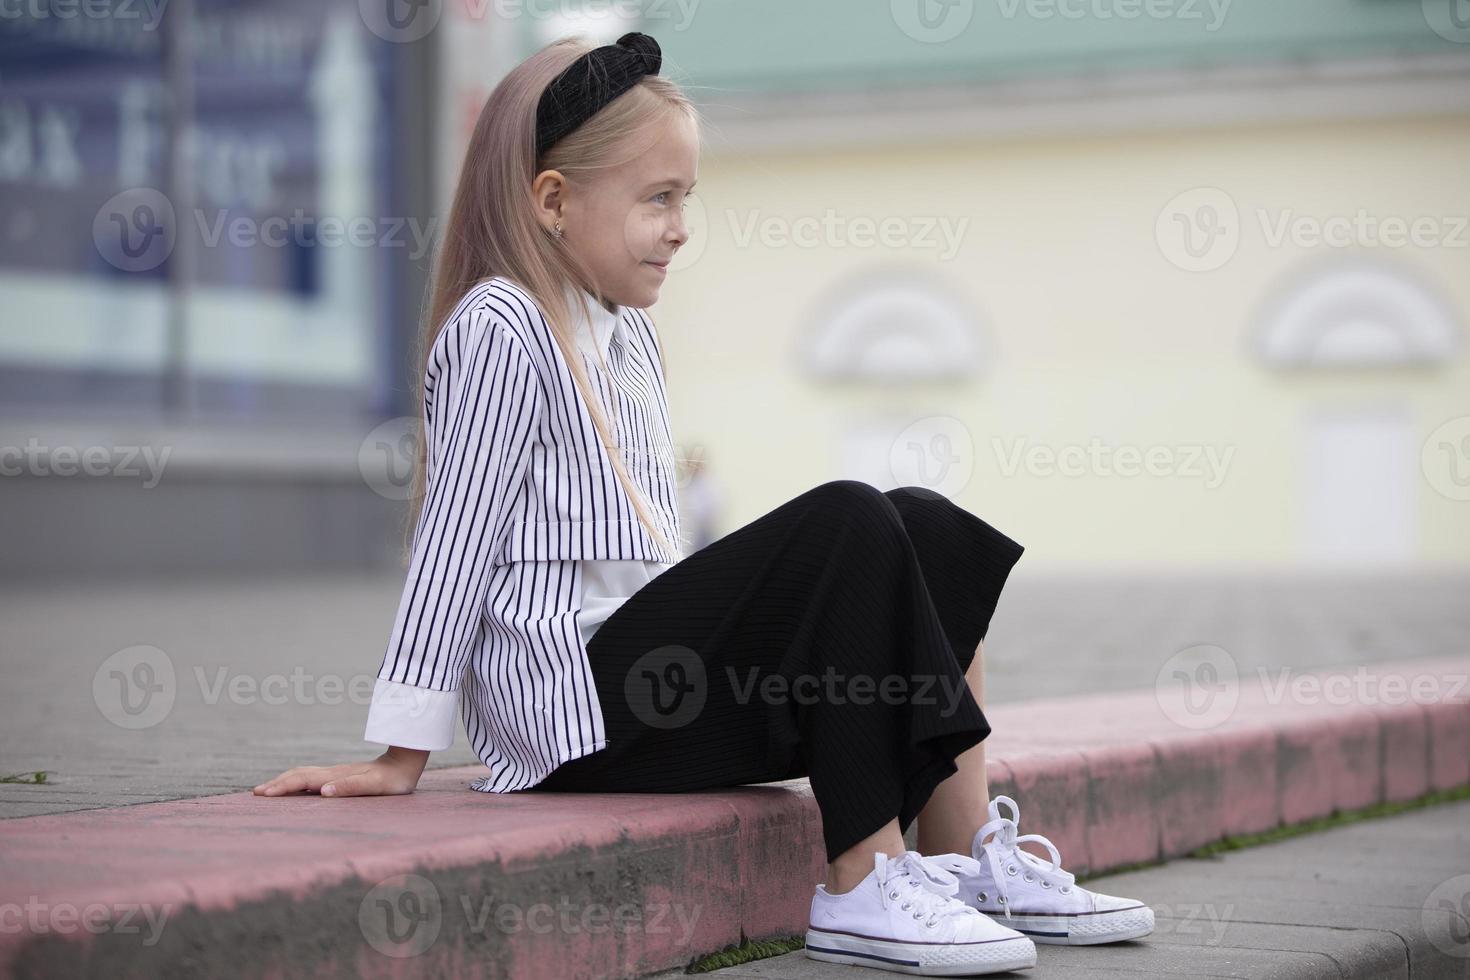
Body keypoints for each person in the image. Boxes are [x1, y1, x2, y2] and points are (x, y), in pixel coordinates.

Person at [253, 31, 1153, 975]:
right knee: (849, 515)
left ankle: (961, 857)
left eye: (687, 199)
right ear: (554, 201)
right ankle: (859, 881)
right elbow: (453, 540)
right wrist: (402, 752)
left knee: (922, 524)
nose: (682, 226)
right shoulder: (501, 325)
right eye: (658, 200)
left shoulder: (631, 337)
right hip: (570, 704)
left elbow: (663, 559)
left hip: (654, 683)